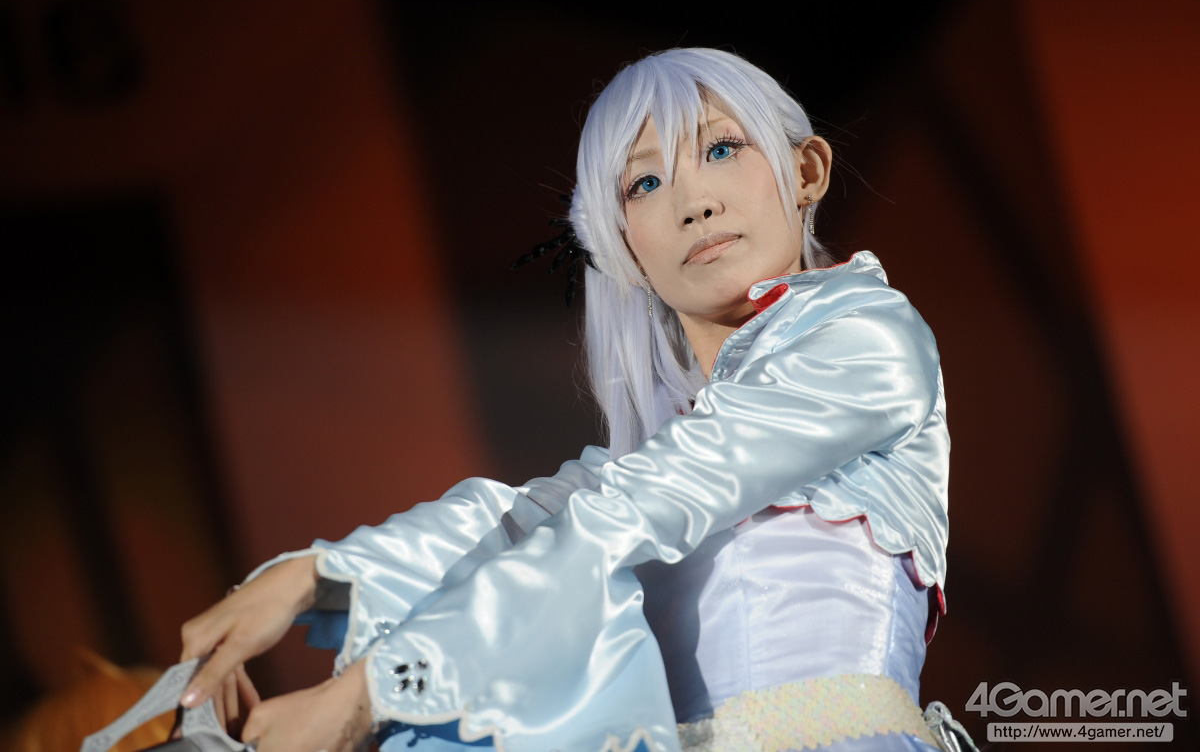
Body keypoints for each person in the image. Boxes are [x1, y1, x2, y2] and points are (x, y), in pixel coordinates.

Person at [176, 48, 953, 752]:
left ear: (807, 170)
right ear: (623, 246)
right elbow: (515, 522)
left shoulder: (866, 339)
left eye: (721, 148)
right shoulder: (668, 445)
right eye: (645, 183)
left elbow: (621, 514)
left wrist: (367, 695)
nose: (694, 201)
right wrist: (311, 577)